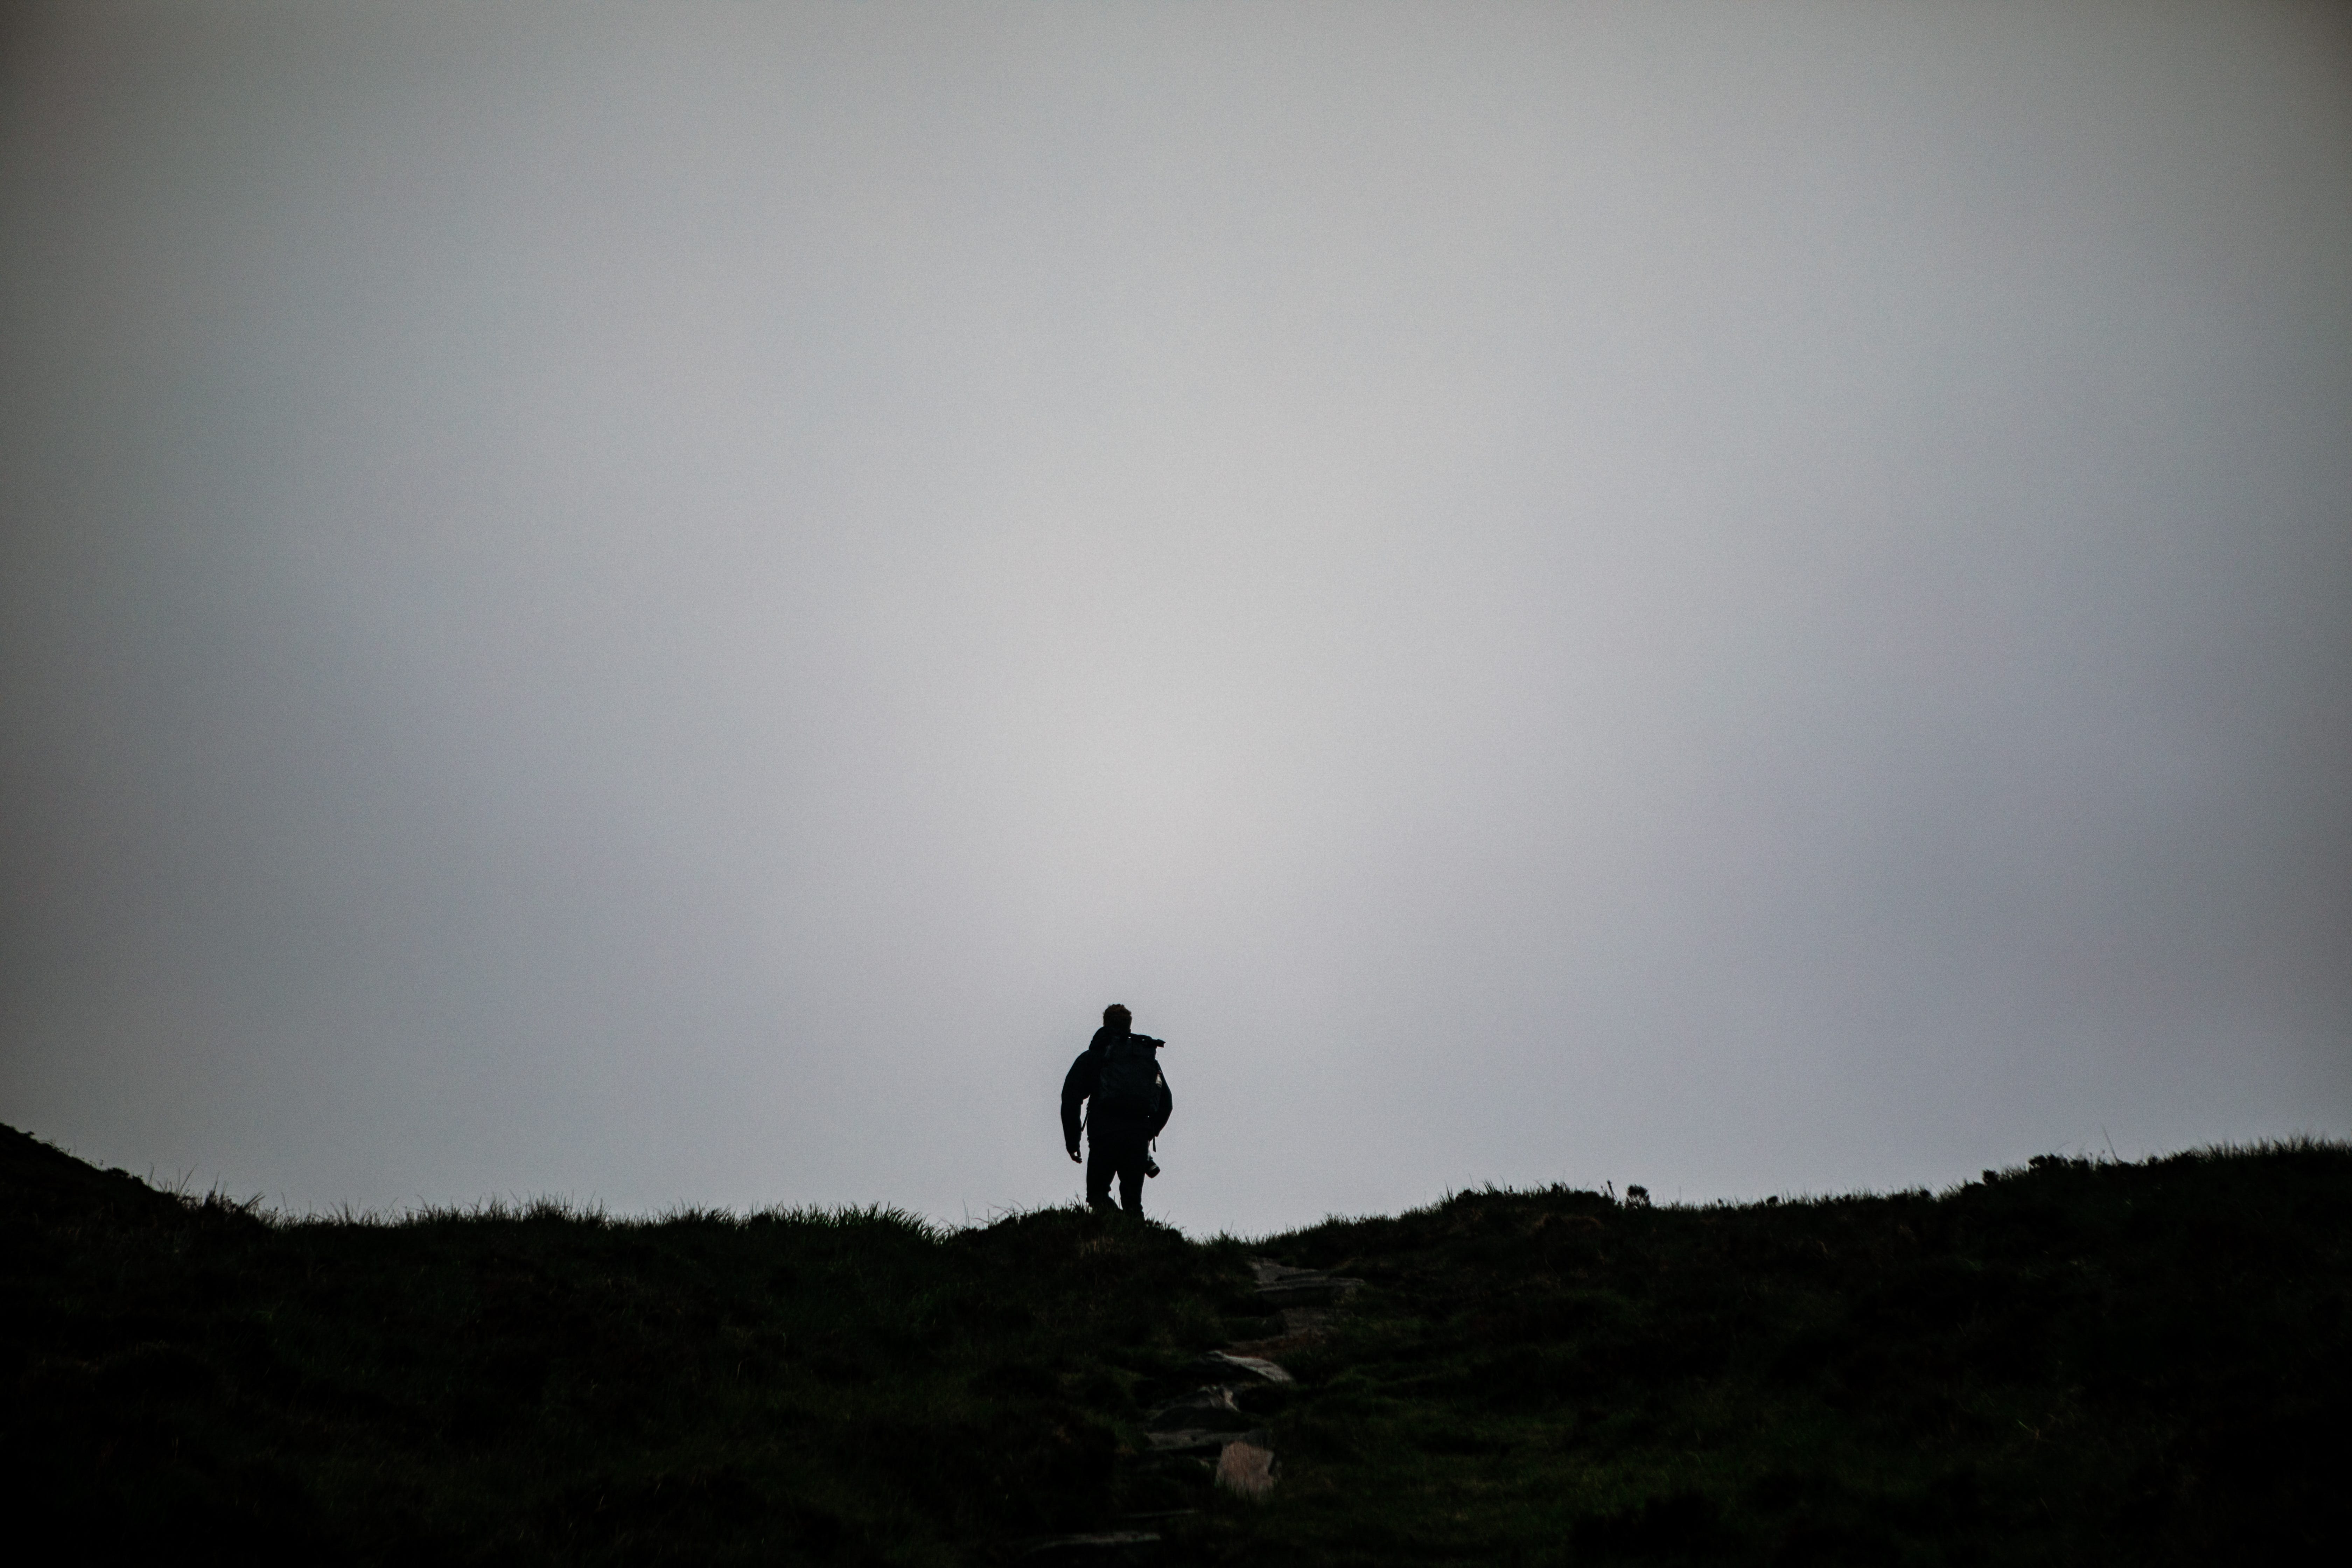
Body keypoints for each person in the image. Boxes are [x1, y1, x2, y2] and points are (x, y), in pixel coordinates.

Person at [1060, 1003, 1172, 1217]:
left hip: (1104, 1136)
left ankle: (1112, 1230)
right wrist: (1150, 1131)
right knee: (1133, 1204)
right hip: (1138, 1138)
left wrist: (1073, 1141)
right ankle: (1135, 1234)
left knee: (1097, 1195)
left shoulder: (1093, 1057)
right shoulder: (1145, 1059)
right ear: (1129, 1027)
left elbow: (1071, 1098)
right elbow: (1167, 1103)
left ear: (1105, 1024)